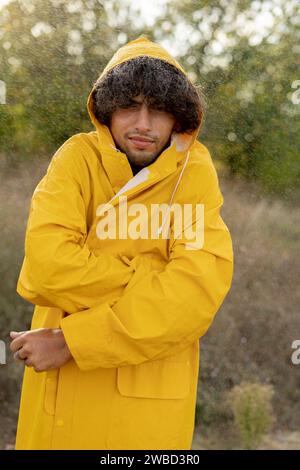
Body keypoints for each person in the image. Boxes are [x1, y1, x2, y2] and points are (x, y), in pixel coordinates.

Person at [10, 36, 234, 450]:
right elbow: (47, 265)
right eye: (130, 106)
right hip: (60, 395)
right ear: (107, 110)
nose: (143, 125)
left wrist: (72, 341)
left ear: (180, 118)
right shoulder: (75, 159)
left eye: (159, 110)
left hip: (147, 398)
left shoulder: (195, 173)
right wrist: (156, 279)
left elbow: (196, 296)